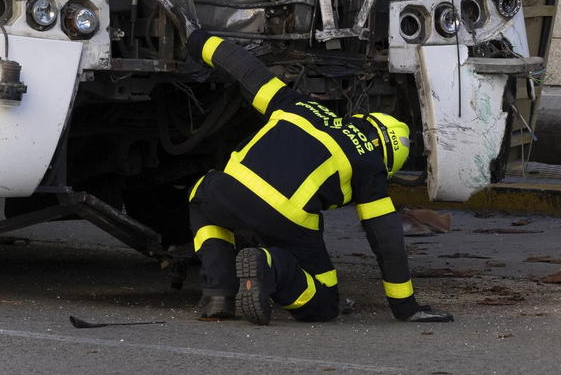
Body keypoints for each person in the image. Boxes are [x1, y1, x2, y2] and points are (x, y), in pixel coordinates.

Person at [185, 27, 454, 325]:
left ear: (362, 121)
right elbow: (387, 242)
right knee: (325, 301)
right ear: (388, 162)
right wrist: (406, 307)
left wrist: (197, 40)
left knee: (201, 197)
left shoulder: (300, 105)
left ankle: (219, 292)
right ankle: (270, 267)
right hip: (286, 219)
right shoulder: (370, 164)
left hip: (228, 191)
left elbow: (245, 69)